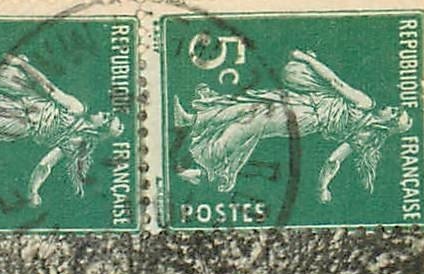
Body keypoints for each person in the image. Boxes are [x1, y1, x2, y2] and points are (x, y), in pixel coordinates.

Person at [172, 49, 411, 201]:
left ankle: (202, 166)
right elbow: (333, 161)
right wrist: (323, 188)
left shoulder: (366, 104)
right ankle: (193, 120)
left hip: (304, 116)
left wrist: (306, 59)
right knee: (249, 105)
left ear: (388, 122)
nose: (391, 107)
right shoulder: (363, 133)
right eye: (395, 108)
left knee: (249, 125)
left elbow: (335, 82)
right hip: (304, 104)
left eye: (394, 112)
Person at [0, 53, 123, 207]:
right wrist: (33, 192)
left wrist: (22, 64)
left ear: (101, 129)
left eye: (106, 118)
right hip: (18, 111)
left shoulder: (77, 110)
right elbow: (45, 165)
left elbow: (48, 86)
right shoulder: (76, 140)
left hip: (19, 121)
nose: (102, 113)